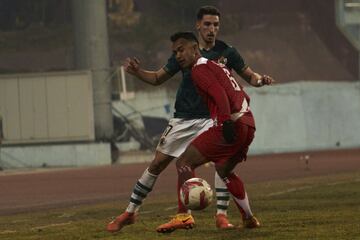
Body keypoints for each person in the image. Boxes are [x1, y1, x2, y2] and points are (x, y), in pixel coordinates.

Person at [107, 6, 274, 233]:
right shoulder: (183, 52)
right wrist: (138, 72)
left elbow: (244, 79)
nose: (212, 29)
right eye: (207, 24)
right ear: (198, 26)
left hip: (212, 118)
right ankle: (130, 212)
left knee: (206, 165)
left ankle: (216, 216)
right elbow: (157, 78)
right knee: (158, 164)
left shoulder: (226, 53)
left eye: (216, 25)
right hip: (185, 118)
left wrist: (258, 82)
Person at [159, 31, 263, 233]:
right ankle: (249, 218)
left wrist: (225, 122)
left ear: (194, 48)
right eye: (175, 52)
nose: (177, 56)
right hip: (248, 122)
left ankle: (183, 216)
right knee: (225, 171)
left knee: (183, 162)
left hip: (232, 122)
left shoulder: (199, 69)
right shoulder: (216, 65)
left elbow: (219, 94)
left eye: (181, 50)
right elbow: (242, 94)